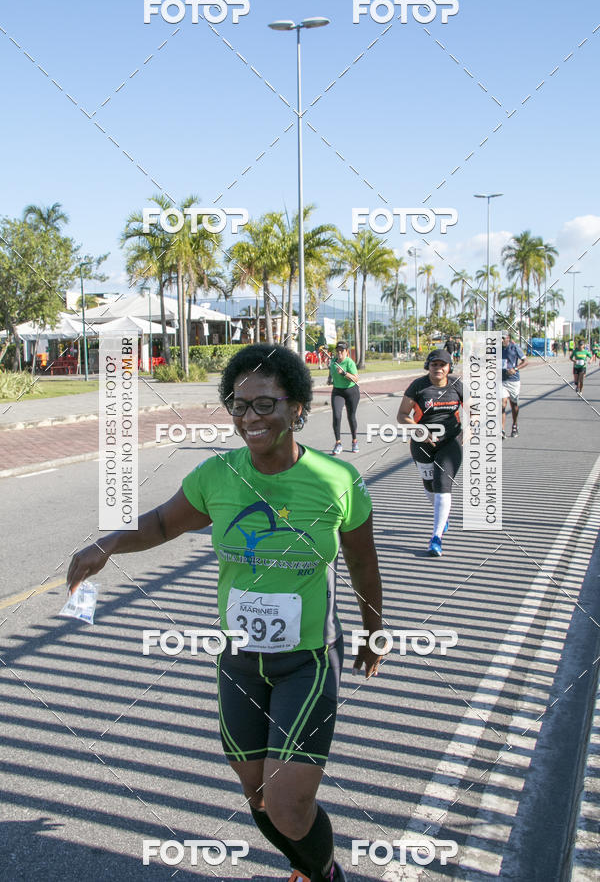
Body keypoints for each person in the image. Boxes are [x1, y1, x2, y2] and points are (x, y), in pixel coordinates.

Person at [67, 343, 383, 882]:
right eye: (238, 406)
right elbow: (163, 524)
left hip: (306, 661)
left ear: (298, 409)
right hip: (237, 661)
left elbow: (360, 556)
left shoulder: (336, 481)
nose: (248, 418)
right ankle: (305, 867)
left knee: (289, 805)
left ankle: (324, 874)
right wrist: (110, 543)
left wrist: (374, 629)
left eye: (264, 405)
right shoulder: (217, 476)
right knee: (259, 799)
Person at [396, 349, 462, 557]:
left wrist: (472, 427)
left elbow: (475, 410)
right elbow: (402, 415)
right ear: (428, 366)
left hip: (450, 442)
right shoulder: (418, 386)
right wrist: (418, 428)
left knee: (443, 484)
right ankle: (443, 518)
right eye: (434, 364)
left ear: (449, 367)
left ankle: (436, 537)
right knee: (430, 485)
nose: (438, 368)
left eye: (443, 365)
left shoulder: (458, 385)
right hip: (421, 443)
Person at [327, 342, 360, 455]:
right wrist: (329, 378)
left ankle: (354, 441)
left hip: (351, 391)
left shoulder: (349, 362)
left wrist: (344, 373)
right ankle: (338, 443)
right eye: (338, 350)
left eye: (342, 350)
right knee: (336, 415)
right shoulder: (333, 361)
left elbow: (356, 379)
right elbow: (331, 370)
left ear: (347, 352)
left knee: (351, 417)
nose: (340, 352)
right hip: (337, 391)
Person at [501, 332, 527, 438]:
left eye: (503, 338)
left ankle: (514, 425)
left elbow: (525, 361)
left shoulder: (514, 347)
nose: (501, 340)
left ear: (508, 338)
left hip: (513, 380)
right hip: (501, 380)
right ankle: (501, 430)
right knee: (502, 404)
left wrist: (515, 369)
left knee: (514, 405)